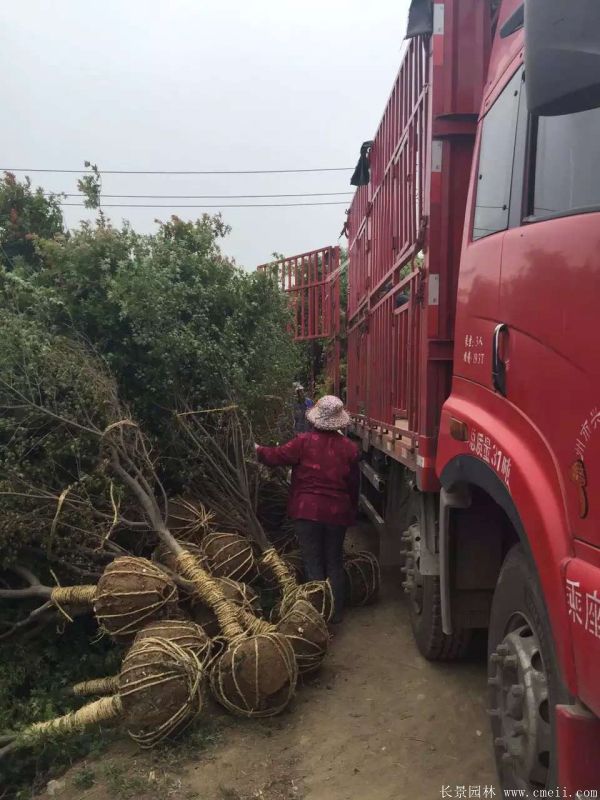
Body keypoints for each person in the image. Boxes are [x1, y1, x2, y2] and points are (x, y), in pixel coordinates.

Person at [256, 395, 360, 624]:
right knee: (334, 560)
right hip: (336, 514)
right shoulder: (350, 449)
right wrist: (351, 512)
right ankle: (336, 613)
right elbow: (354, 486)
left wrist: (257, 449)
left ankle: (319, 613)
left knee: (313, 561)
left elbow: (276, 456)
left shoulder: (303, 442)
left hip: (307, 512)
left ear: (315, 419)